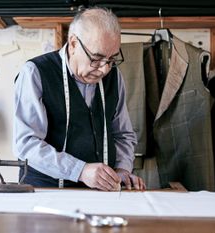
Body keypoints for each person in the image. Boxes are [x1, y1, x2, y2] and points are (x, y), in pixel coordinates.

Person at [13, 7, 145, 191]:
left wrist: (122, 169)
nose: (104, 69)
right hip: (44, 193)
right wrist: (80, 171)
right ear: (73, 43)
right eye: (96, 58)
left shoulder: (114, 77)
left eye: (112, 59)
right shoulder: (35, 73)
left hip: (100, 193)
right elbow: (27, 144)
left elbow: (123, 135)